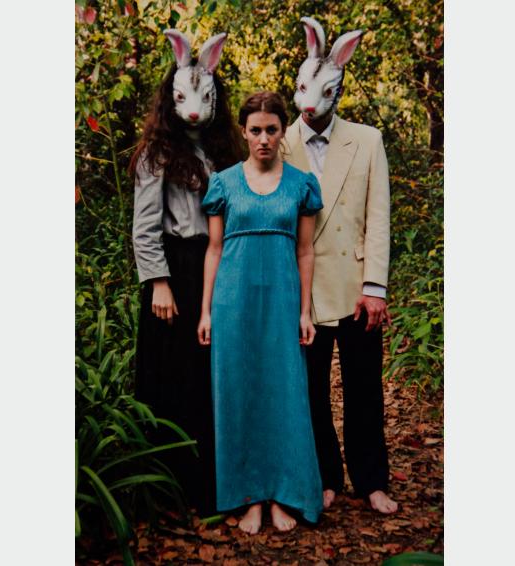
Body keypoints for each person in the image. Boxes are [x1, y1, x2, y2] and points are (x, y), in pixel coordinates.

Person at [283, 16, 398, 514]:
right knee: (310, 388)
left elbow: (378, 216)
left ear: (339, 89)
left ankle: (371, 480)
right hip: (302, 287)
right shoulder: (276, 140)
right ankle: (325, 475)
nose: (311, 102)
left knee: (363, 386)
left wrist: (375, 287)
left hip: (354, 286)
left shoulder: (367, 140)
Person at [197, 91, 324, 534]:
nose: (264, 138)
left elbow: (305, 251)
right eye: (255, 130)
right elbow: (214, 250)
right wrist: (205, 312)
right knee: (239, 393)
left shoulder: (301, 184)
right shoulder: (224, 183)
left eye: (272, 130)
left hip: (283, 304)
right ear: (244, 132)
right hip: (232, 304)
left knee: (284, 394)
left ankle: (282, 494)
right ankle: (248, 496)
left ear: (283, 130)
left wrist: (305, 311)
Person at [130, 29, 241, 516]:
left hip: (217, 265)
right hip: (175, 270)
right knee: (174, 374)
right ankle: (169, 489)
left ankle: (213, 482)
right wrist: (159, 282)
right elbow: (145, 225)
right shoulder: (156, 154)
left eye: (202, 98)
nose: (193, 110)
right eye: (182, 99)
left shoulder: (223, 152)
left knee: (210, 371)